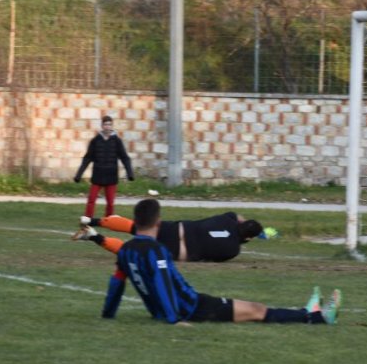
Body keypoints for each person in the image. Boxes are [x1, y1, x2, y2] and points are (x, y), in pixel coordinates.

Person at [101, 199, 341, 325]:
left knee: (253, 309)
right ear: (158, 222)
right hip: (192, 307)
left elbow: (116, 284)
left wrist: (108, 314)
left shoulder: (126, 251)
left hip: (177, 307)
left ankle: (304, 311)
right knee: (255, 310)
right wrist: (174, 320)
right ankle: (316, 318)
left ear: (136, 220)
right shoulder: (158, 251)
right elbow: (163, 282)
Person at [71, 210, 278, 262]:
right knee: (133, 252)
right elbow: (213, 257)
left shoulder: (229, 219)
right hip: (180, 251)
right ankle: (94, 236)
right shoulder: (234, 250)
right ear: (249, 238)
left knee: (136, 227)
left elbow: (238, 217)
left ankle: (92, 220)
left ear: (241, 222)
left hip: (178, 229)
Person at [74, 116, 134, 219]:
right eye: (106, 124)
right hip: (98, 175)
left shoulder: (117, 141)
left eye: (109, 124)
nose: (107, 127)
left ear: (112, 126)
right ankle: (88, 218)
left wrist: (130, 173)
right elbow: (87, 158)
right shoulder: (95, 141)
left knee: (110, 202)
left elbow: (125, 157)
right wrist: (78, 175)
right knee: (91, 199)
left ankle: (109, 219)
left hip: (111, 175)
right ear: (102, 126)